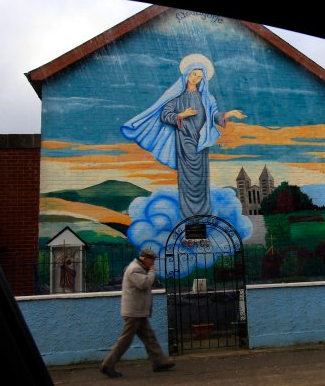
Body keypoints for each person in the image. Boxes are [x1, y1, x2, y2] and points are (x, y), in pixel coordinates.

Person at [121, 53, 246, 218]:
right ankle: (188, 215)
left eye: (200, 77)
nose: (196, 78)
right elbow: (164, 115)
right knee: (188, 179)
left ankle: (202, 215)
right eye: (194, 74)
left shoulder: (207, 98)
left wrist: (229, 114)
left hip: (201, 143)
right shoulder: (177, 97)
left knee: (201, 180)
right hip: (185, 140)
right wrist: (182, 115)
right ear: (187, 73)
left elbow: (214, 115)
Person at [100, 248, 175, 378]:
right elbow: (144, 284)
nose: (153, 264)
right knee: (125, 340)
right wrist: (152, 272)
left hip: (138, 311)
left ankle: (159, 362)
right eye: (151, 261)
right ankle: (108, 365)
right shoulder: (135, 269)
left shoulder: (138, 268)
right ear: (144, 258)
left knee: (149, 337)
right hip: (134, 312)